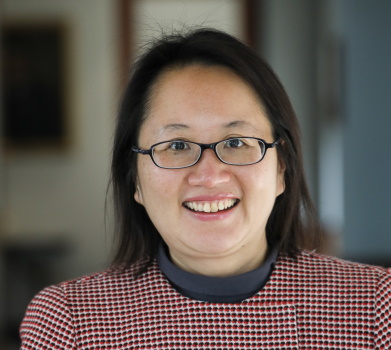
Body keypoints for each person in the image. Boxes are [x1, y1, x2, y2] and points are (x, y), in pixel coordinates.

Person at [20, 28, 390, 349]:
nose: (209, 175)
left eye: (236, 142)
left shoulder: (375, 308)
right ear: (135, 180)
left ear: (282, 169)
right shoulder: (68, 322)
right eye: (177, 146)